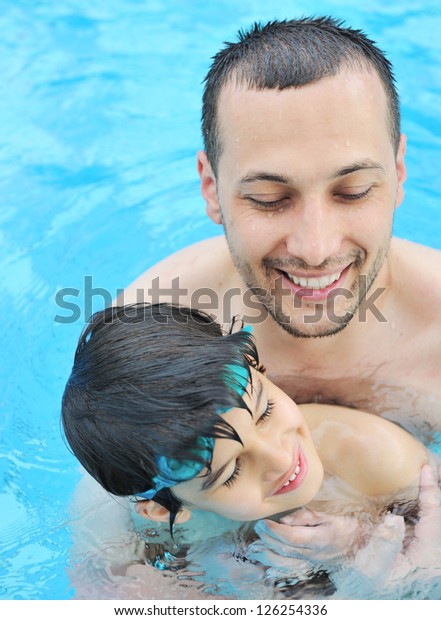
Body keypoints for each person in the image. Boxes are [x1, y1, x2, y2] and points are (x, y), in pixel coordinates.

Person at [120, 17, 441, 443]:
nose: (315, 248)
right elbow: (111, 505)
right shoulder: (151, 338)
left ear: (399, 173)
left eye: (353, 191)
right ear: (211, 188)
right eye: (269, 199)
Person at [61, 303, 440, 598]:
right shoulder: (117, 519)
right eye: (232, 471)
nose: (280, 458)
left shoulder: (374, 456)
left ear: (259, 372)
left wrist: (360, 552)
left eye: (266, 412)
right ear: (161, 511)